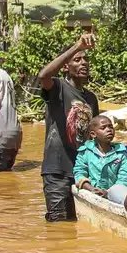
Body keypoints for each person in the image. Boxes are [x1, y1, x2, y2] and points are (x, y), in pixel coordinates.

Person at [37, 33, 99, 221]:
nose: (84, 63)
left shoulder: (91, 98)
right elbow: (43, 75)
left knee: (78, 224)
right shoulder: (58, 88)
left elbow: (93, 136)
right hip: (57, 171)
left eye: (86, 59)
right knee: (59, 225)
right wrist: (77, 46)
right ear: (66, 66)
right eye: (77, 60)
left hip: (82, 172)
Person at [73, 114, 127, 204]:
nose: (109, 130)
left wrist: (108, 193)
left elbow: (125, 176)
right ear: (93, 134)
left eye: (110, 127)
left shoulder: (120, 153)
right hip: (91, 192)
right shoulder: (85, 152)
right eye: (103, 128)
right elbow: (79, 172)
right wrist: (91, 189)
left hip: (113, 195)